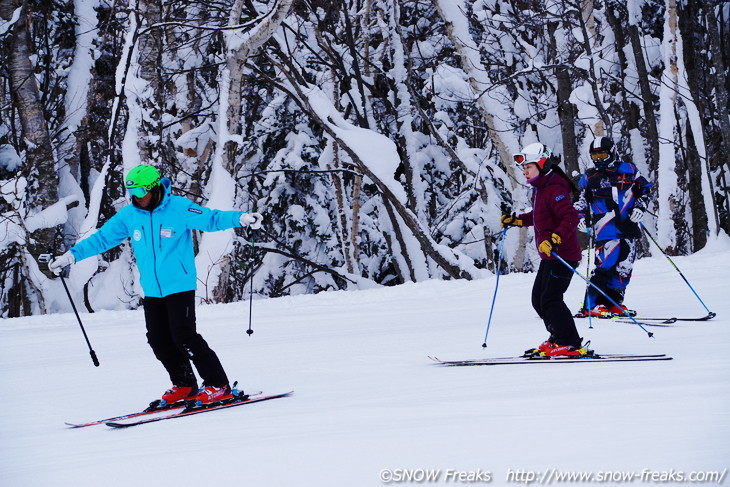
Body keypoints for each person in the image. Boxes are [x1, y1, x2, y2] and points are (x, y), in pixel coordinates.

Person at [49, 164, 263, 407]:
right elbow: (101, 238)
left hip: (179, 285)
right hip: (151, 288)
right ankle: (184, 384)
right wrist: (71, 256)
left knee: (184, 335)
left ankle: (218, 385)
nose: (136, 198)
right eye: (132, 193)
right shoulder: (130, 215)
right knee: (158, 338)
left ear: (154, 188)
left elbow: (212, 218)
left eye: (140, 192)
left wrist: (241, 218)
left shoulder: (178, 208)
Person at [500, 142, 590, 357]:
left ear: (542, 165)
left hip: (562, 255)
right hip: (550, 255)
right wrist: (516, 220)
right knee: (538, 299)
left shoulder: (555, 188)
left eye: (528, 167)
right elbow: (539, 217)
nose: (525, 172)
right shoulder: (541, 189)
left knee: (550, 299)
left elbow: (570, 217)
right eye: (524, 169)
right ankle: (558, 337)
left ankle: (569, 343)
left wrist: (555, 239)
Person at [574, 136, 652, 317]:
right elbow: (580, 200)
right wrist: (579, 217)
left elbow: (645, 189)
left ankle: (613, 302)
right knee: (605, 264)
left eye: (602, 154)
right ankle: (591, 304)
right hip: (605, 228)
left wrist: (640, 207)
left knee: (625, 267)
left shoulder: (629, 170)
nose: (599, 159)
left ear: (612, 152)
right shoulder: (590, 177)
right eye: (595, 156)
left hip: (629, 226)